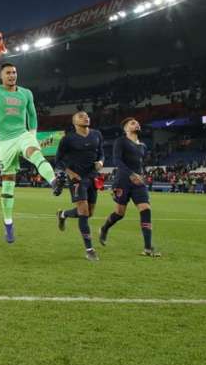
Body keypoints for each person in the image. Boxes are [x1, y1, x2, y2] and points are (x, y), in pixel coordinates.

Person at [0, 42, 59, 243]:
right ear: (1, 76)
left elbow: (32, 113)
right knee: (8, 186)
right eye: (8, 73)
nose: (12, 75)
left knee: (34, 152)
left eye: (14, 72)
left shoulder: (26, 93)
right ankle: (9, 225)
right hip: (4, 143)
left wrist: (33, 133)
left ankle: (54, 181)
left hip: (22, 135)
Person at [99, 117, 160, 257]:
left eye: (137, 122)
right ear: (126, 128)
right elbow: (116, 161)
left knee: (146, 209)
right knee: (120, 213)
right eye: (132, 123)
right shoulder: (120, 141)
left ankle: (148, 248)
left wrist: (140, 174)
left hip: (138, 183)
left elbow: (139, 164)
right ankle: (104, 228)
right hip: (122, 181)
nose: (136, 124)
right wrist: (131, 174)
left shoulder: (143, 146)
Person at [55, 111, 105, 261]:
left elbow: (101, 153)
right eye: (81, 116)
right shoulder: (67, 139)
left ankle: (63, 214)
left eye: (87, 116)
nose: (86, 117)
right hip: (77, 178)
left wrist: (101, 162)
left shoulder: (97, 134)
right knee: (83, 211)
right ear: (74, 122)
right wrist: (69, 172)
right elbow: (58, 161)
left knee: (89, 213)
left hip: (92, 177)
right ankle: (89, 249)